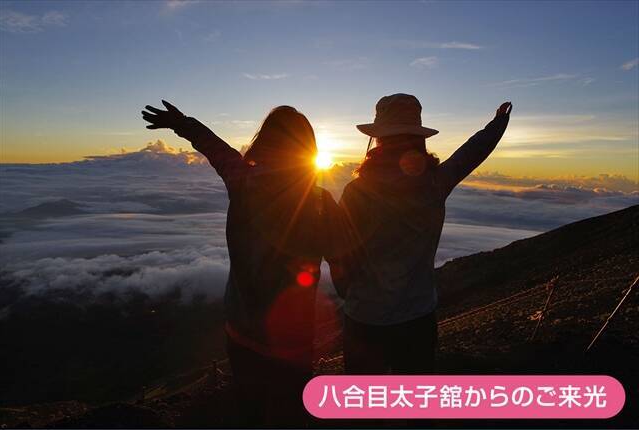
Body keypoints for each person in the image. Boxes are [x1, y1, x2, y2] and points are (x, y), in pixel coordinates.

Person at [142, 102, 342, 426]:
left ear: (265, 142)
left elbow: (216, 149)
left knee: (250, 411)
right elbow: (342, 259)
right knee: (290, 413)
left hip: (242, 329)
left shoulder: (243, 181)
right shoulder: (321, 201)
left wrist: (181, 122)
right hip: (294, 336)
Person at [329, 94, 512, 375]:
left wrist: (348, 291)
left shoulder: (357, 192)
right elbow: (470, 154)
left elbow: (340, 252)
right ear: (418, 139)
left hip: (365, 317)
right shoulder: (435, 183)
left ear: (378, 140)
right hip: (417, 316)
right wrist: (498, 123)